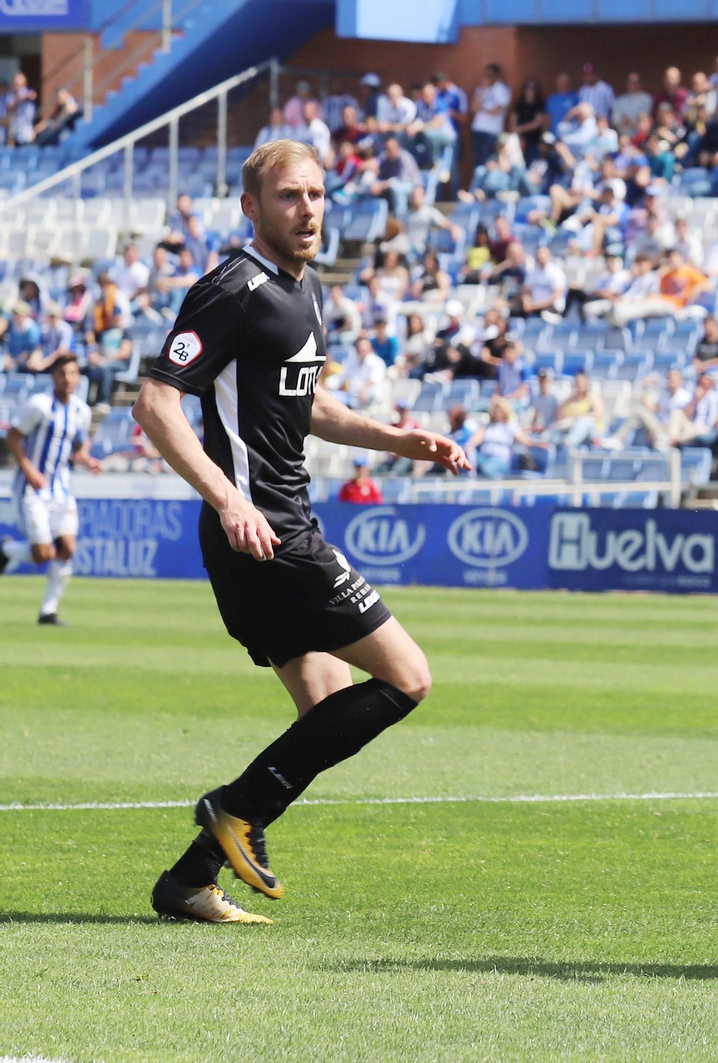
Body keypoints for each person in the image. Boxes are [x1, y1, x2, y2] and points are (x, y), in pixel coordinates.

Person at [131, 141, 469, 925]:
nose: (308, 209)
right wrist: (228, 500)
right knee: (408, 676)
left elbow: (307, 405)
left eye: (317, 193)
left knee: (327, 699)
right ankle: (234, 809)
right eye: (289, 195)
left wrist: (401, 438)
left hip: (276, 525)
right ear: (252, 207)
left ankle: (189, 878)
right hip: (265, 531)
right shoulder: (232, 289)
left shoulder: (305, 288)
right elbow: (155, 402)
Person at [0, 355, 101, 624]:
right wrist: (30, 469)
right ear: (53, 377)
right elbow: (12, 437)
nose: (68, 379)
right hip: (32, 491)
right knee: (42, 555)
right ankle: (6, 551)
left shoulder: (81, 411)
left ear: (79, 377)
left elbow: (76, 450)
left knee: (67, 547)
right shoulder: (39, 405)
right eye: (62, 374)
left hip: (61, 491)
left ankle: (48, 611)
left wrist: (88, 461)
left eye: (73, 373)